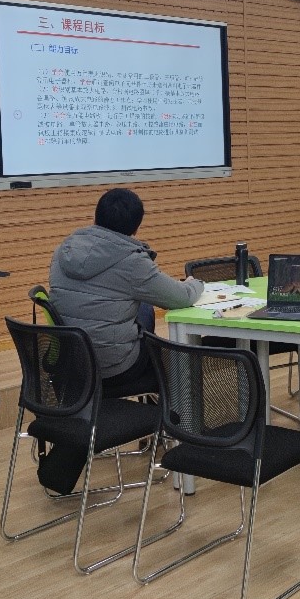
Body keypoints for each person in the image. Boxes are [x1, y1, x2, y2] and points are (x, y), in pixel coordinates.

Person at [39, 188, 203, 494]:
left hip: (70, 367)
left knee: (142, 311)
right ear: (136, 227)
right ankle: (181, 436)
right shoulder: (132, 262)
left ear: (96, 216)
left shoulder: (64, 250)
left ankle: (151, 429)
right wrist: (195, 284)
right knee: (172, 361)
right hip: (112, 367)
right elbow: (179, 298)